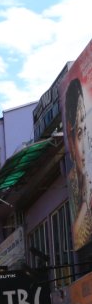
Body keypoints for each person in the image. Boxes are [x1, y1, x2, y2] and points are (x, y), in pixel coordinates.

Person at [64, 77, 92, 249]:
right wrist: (84, 203)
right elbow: (76, 237)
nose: (86, 146)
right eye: (80, 133)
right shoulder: (73, 182)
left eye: (87, 130)